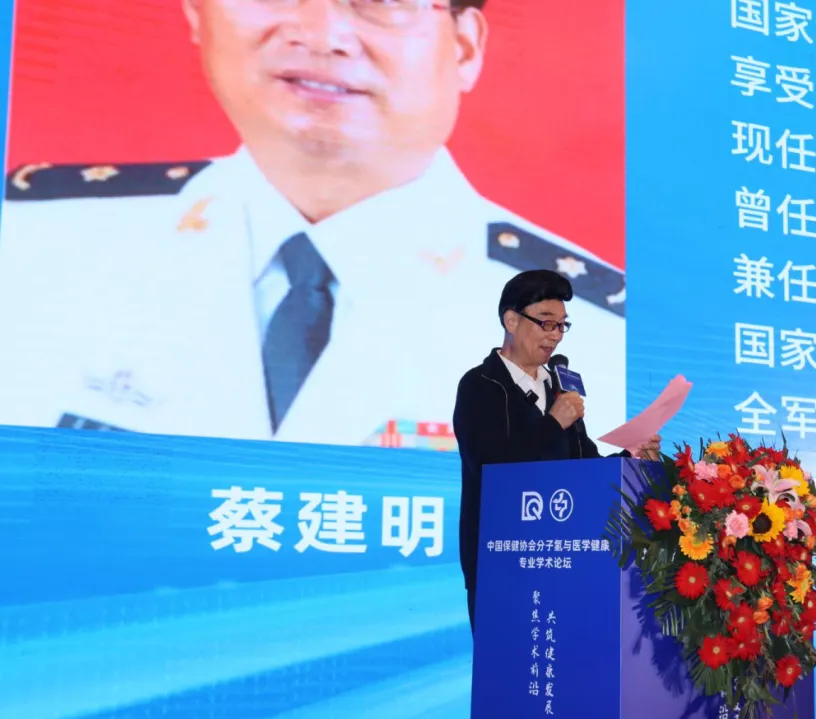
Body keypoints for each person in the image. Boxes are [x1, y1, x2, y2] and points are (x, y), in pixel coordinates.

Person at [0, 0, 626, 448]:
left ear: (464, 46)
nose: (321, 34)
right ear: (196, 12)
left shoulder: (603, 339)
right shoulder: (25, 243)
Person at [453, 269, 658, 631]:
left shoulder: (559, 389)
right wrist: (552, 422)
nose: (555, 335)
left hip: (564, 559)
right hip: (501, 561)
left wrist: (631, 458)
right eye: (546, 323)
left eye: (562, 325)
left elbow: (585, 466)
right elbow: (490, 466)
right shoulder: (480, 385)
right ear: (511, 320)